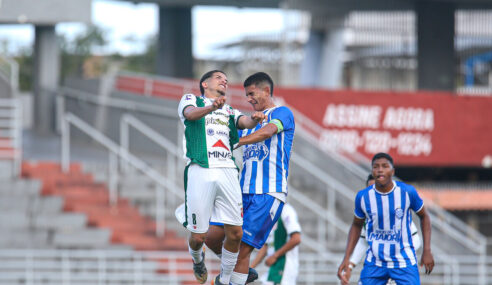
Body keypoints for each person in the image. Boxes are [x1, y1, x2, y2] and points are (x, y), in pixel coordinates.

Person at [205, 72, 296, 285]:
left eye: (252, 93)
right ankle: (239, 271)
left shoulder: (282, 113)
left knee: (243, 249)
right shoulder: (251, 121)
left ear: (266, 90)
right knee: (211, 236)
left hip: (268, 193)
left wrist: (239, 141)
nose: (248, 99)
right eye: (246, 95)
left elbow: (267, 133)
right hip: (241, 192)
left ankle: (231, 278)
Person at [177, 70, 266, 285]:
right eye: (219, 78)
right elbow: (190, 114)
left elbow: (243, 122)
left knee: (235, 233)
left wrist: (254, 120)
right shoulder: (191, 99)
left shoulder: (229, 110)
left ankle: (224, 280)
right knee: (199, 237)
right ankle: (198, 259)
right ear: (205, 84)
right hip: (200, 169)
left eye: (226, 80)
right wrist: (211, 107)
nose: (224, 81)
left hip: (227, 171)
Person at [337, 152, 434, 285]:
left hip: (404, 262)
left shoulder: (407, 192)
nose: (380, 169)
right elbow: (356, 226)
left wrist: (427, 250)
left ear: (392, 171)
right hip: (375, 263)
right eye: (376, 166)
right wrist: (347, 260)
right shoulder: (363, 197)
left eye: (384, 166)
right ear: (372, 170)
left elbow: (424, 217)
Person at [343, 174, 422, 284]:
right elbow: (363, 242)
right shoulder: (367, 217)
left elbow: (416, 240)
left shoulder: (398, 214)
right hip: (377, 268)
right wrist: (350, 265)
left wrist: (396, 257)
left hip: (398, 266)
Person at [250, 203, 301, 285]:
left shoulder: (286, 211)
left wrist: (274, 256)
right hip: (272, 268)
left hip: (284, 268)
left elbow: (296, 238)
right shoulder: (270, 213)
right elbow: (265, 247)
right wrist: (250, 269)